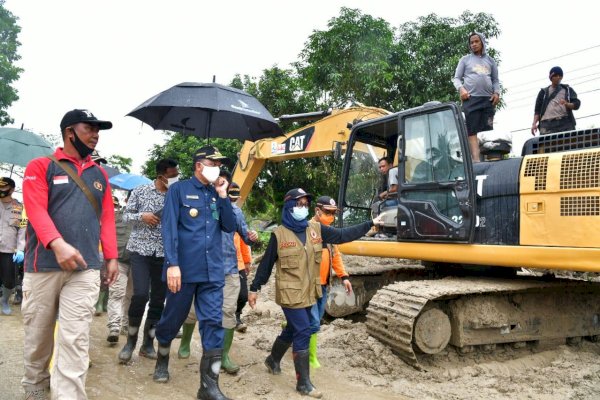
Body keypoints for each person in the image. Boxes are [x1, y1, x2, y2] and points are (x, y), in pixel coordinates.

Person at [21, 109, 119, 400]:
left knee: (75, 339)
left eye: (97, 129)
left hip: (85, 268)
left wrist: (111, 256)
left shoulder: (99, 173)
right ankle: (35, 388)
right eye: (89, 128)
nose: (95, 134)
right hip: (42, 266)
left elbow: (108, 217)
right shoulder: (41, 166)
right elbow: (35, 208)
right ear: (69, 132)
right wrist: (57, 243)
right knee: (38, 338)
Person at [248, 188, 382, 399]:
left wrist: (370, 224)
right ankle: (304, 383)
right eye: (298, 204)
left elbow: (341, 235)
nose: (302, 208)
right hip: (290, 293)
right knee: (303, 329)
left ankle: (273, 359)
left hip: (310, 291)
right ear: (289, 206)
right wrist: (255, 288)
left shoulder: (316, 229)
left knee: (294, 329)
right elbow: (265, 265)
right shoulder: (279, 234)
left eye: (305, 204)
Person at [151, 146, 236, 400]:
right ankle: (162, 360)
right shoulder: (178, 190)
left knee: (213, 323)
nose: (218, 168)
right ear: (200, 165)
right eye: (214, 163)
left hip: (212, 273)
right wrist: (173, 264)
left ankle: (209, 387)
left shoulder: (216, 193)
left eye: (220, 164)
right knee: (172, 318)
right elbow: (169, 229)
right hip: (184, 271)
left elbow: (229, 226)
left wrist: (223, 196)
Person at [175, 181, 257, 374]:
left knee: (228, 311)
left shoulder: (235, 212)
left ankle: (224, 356)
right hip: (203, 268)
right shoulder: (202, 207)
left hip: (229, 269)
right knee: (193, 310)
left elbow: (245, 235)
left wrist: (252, 236)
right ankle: (185, 342)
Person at [118, 158, 179, 363]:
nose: (175, 178)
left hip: (164, 253)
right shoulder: (140, 191)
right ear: (161, 175)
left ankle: (147, 345)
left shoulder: (176, 195)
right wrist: (142, 216)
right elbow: (125, 216)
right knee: (140, 294)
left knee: (158, 300)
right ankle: (130, 343)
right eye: (172, 175)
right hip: (140, 250)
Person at [308, 195, 352, 369]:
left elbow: (336, 256)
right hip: (308, 285)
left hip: (324, 284)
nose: (331, 216)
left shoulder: (330, 232)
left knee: (315, 318)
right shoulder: (306, 229)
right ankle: (311, 357)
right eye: (328, 212)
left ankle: (290, 326)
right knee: (312, 322)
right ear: (317, 211)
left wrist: (344, 277)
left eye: (334, 213)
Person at [452, 31, 500, 163]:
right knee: (472, 131)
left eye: (476, 41)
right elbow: (456, 78)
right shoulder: (465, 60)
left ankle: (490, 160)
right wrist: (461, 89)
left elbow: (495, 80)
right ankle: (476, 161)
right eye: (471, 42)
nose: (473, 44)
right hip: (471, 99)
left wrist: (496, 92)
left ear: (482, 42)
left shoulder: (490, 61)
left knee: (487, 130)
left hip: (488, 100)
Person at [106, 195, 133, 344]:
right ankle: (114, 327)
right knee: (116, 293)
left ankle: (126, 324)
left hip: (137, 262)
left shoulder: (146, 219)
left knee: (132, 295)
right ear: (127, 200)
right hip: (118, 261)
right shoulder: (115, 216)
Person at [0, 176, 26, 315]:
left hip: (9, 249)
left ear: (12, 189)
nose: (1, 190)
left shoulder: (19, 207)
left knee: (9, 280)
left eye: (4, 187)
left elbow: (23, 228)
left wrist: (21, 248)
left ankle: (4, 300)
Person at [531, 66, 581, 135]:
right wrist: (534, 124)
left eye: (560, 75)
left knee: (567, 144)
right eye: (556, 75)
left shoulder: (567, 90)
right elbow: (537, 111)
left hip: (565, 123)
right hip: (546, 126)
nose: (558, 77)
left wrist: (567, 104)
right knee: (547, 145)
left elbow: (577, 104)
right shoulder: (543, 92)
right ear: (551, 77)